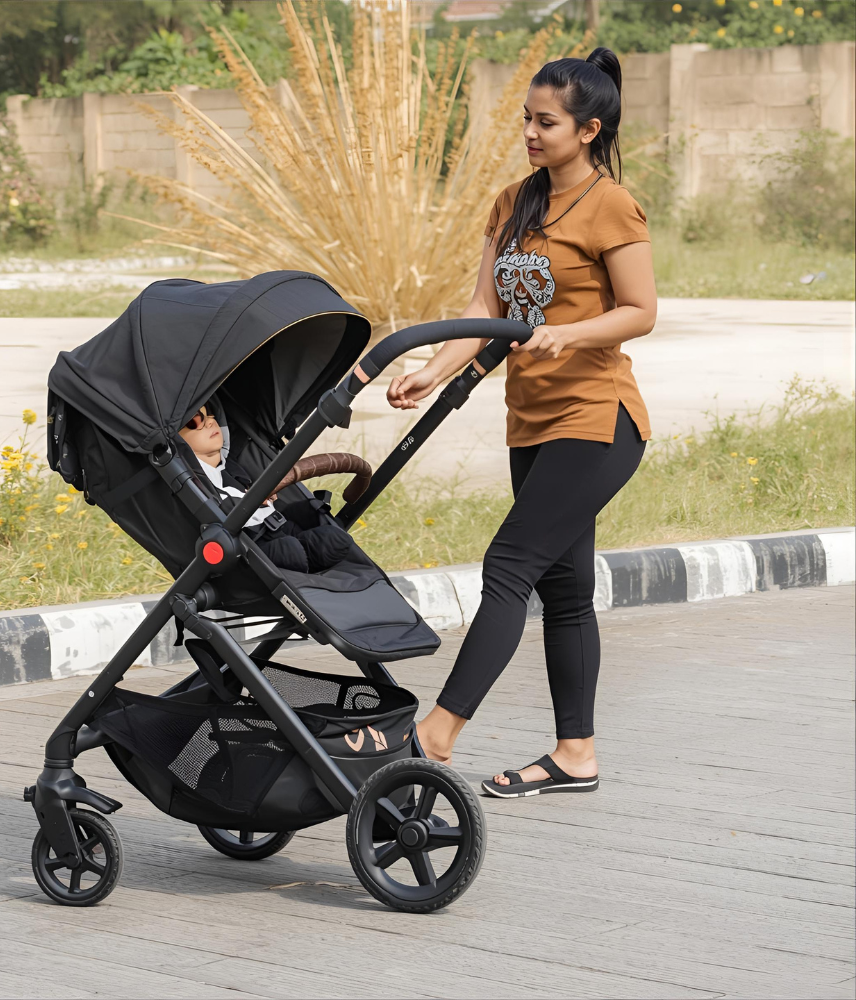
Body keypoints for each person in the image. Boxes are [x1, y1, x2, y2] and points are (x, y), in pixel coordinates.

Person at [386, 48, 655, 798]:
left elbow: (641, 311)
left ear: (589, 129)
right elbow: (487, 309)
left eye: (546, 123)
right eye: (526, 121)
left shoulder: (613, 206)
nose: (531, 134)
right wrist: (434, 368)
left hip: (597, 420)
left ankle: (436, 734)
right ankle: (575, 756)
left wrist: (571, 333)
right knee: (565, 592)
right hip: (530, 420)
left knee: (508, 568)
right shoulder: (513, 202)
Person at [178, 403, 352, 574]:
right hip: (253, 541)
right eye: (195, 421)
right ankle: (302, 559)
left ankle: (310, 558)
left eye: (210, 416)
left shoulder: (233, 470)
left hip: (277, 523)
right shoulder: (194, 479)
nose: (210, 422)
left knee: (324, 525)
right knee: (290, 550)